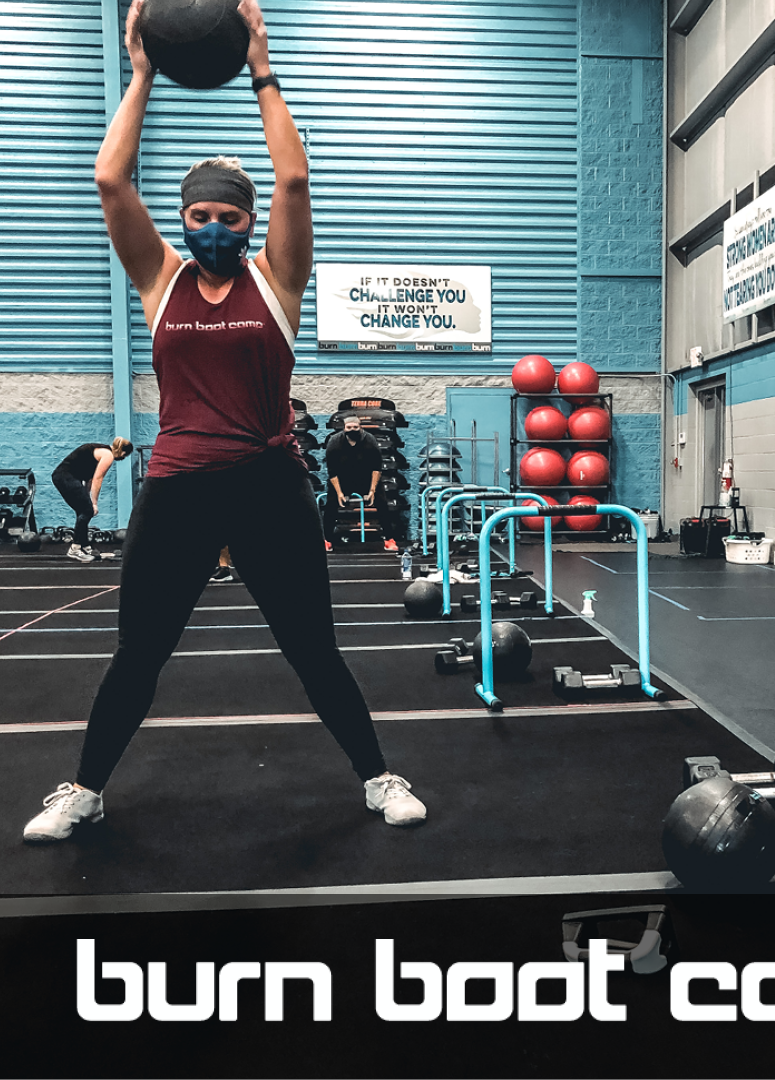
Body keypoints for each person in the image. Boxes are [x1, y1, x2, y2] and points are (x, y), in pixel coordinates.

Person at [23, 0, 426, 843]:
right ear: (183, 219)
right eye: (200, 216)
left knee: (312, 649)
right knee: (140, 652)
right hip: (178, 487)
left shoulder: (277, 279)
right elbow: (109, 181)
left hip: (267, 485)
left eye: (229, 217)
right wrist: (140, 74)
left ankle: (379, 776)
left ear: (249, 223)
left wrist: (262, 70)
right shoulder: (160, 280)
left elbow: (294, 181)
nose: (213, 228)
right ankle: (84, 789)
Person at [323, 414, 399, 552]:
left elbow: (376, 468)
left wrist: (372, 491)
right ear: (344, 428)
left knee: (382, 502)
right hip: (343, 480)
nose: (352, 430)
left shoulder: (370, 440)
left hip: (366, 479)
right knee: (331, 505)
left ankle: (389, 539)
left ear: (360, 428)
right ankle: (326, 540)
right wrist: (339, 493)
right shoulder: (334, 441)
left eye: (355, 427)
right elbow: (332, 470)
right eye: (349, 427)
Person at [52, 438, 133, 562]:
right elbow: (97, 479)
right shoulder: (108, 455)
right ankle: (75, 549)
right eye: (125, 456)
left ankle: (85, 546)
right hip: (64, 477)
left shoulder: (101, 451)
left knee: (83, 510)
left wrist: (87, 499)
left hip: (64, 477)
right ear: (123, 452)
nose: (123, 458)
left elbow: (89, 480)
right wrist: (94, 503)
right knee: (87, 510)